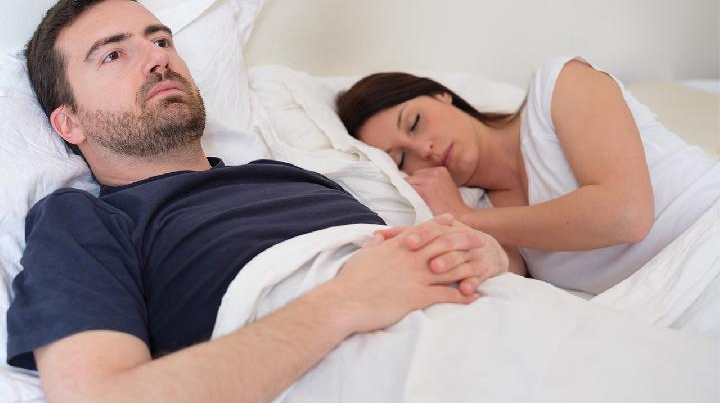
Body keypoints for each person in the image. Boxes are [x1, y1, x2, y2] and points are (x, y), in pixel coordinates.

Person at [5, 1, 510, 402]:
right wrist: (347, 301)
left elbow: (402, 266)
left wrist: (483, 254)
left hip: (501, 322)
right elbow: (100, 395)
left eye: (160, 40)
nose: (158, 58)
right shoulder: (81, 219)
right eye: (113, 55)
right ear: (69, 122)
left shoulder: (289, 175)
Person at [337, 59, 719, 295]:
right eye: (402, 158)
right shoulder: (476, 213)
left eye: (415, 122)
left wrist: (464, 218)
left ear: (441, 95)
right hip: (670, 309)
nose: (426, 149)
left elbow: (627, 215)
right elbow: (503, 273)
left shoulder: (557, 88)